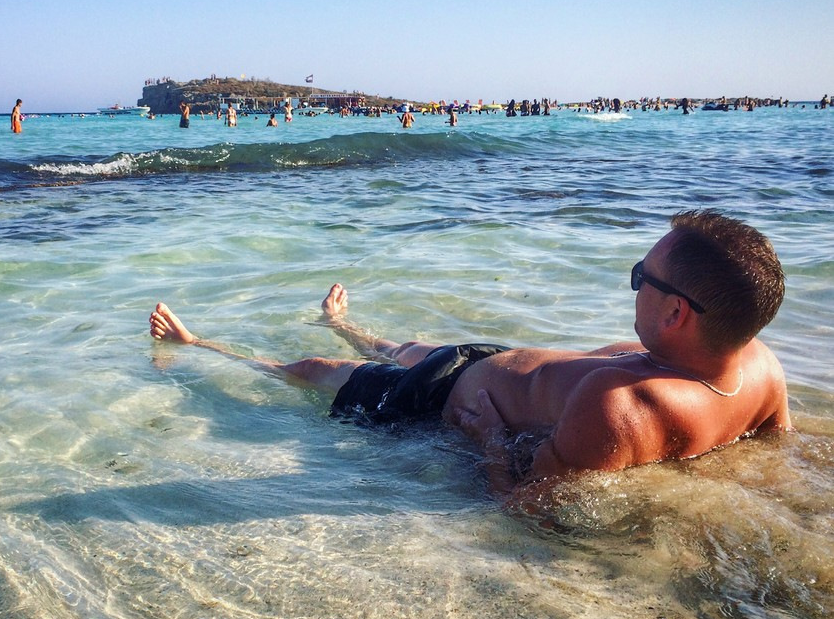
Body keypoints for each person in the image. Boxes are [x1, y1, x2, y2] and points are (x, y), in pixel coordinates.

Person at [149, 211, 790, 494]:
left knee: (311, 372)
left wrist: (487, 440)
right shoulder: (759, 367)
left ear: (676, 313)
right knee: (404, 345)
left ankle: (194, 343)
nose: (635, 284)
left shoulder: (620, 404)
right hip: (485, 360)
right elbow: (776, 450)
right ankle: (342, 324)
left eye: (640, 276)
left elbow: (525, 509)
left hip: (440, 397)